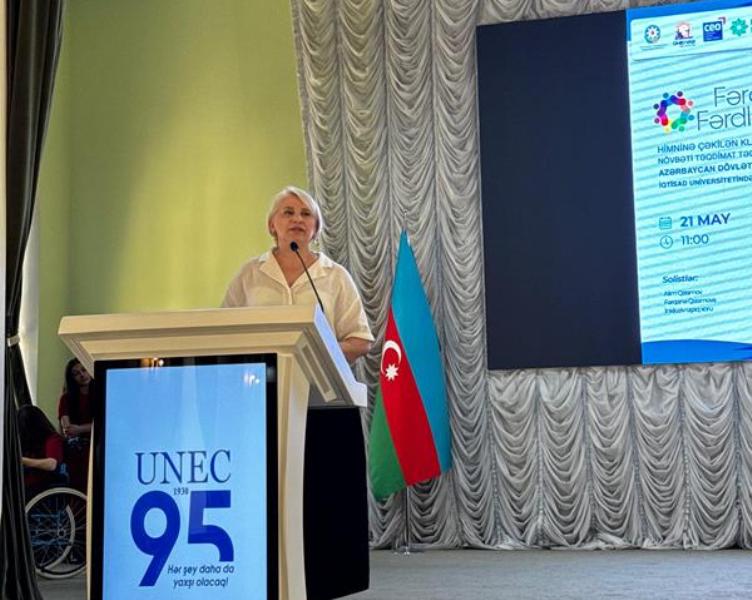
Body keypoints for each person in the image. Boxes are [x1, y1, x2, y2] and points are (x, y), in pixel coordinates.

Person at [222, 186, 373, 362]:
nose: (297, 219)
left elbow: (360, 342)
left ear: (316, 228)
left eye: (306, 214)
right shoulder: (249, 274)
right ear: (272, 225)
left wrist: (319, 351)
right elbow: (224, 331)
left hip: (318, 376)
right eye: (288, 212)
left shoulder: (336, 276)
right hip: (261, 375)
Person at [57, 358, 93, 492]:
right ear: (72, 378)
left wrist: (80, 429)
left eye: (84, 370)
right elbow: (67, 427)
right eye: (76, 373)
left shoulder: (102, 393)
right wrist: (73, 430)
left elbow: (104, 424)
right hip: (77, 448)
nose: (82, 375)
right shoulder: (66, 398)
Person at [18, 405, 66, 500]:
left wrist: (22, 460)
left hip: (43, 485)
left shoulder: (53, 439)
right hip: (28, 483)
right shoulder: (27, 441)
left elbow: (52, 464)